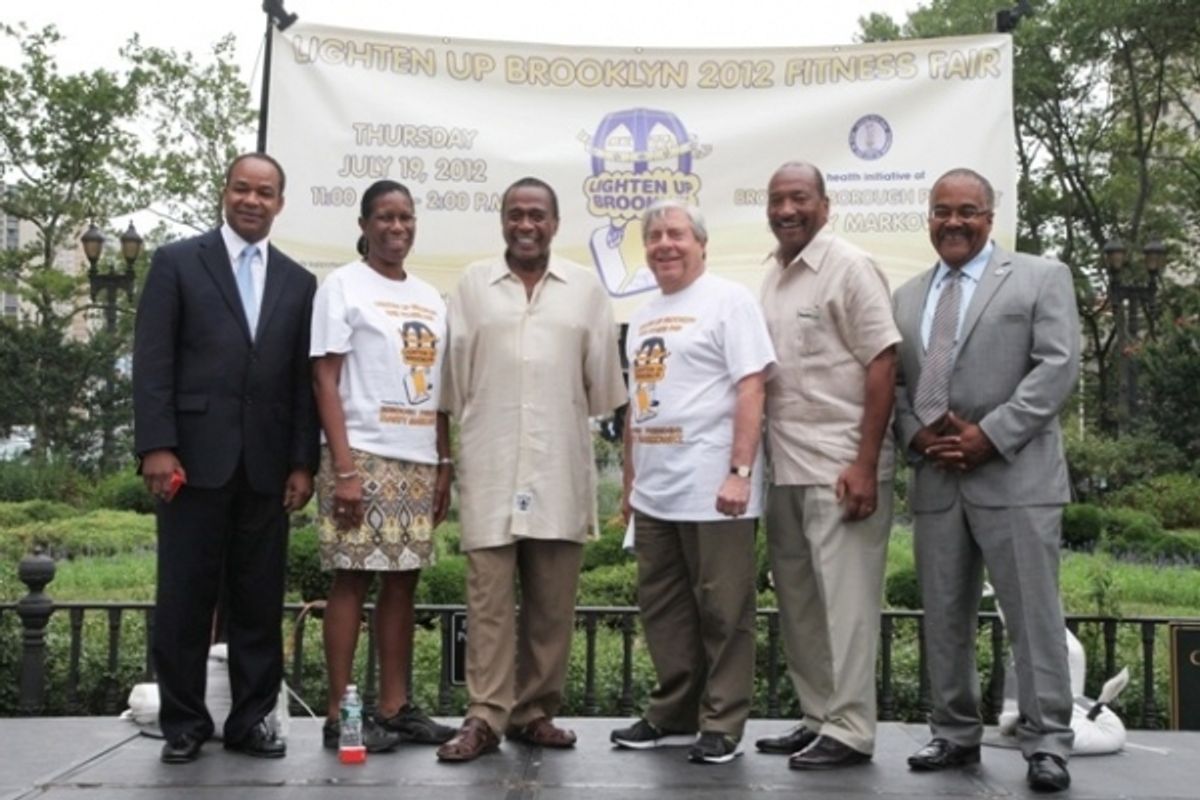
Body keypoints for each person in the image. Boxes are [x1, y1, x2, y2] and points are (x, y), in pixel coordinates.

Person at [893, 168, 1078, 792]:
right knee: (944, 614)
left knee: (1033, 617)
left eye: (967, 211)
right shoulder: (908, 295)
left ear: (990, 217)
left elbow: (1056, 368)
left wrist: (989, 435)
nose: (953, 222)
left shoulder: (1040, 277)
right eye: (942, 211)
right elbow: (895, 385)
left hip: (1016, 476)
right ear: (929, 218)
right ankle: (953, 733)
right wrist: (917, 434)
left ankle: (1047, 741)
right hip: (938, 478)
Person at [133, 153, 319, 763]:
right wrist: (157, 446)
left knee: (259, 603)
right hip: (190, 461)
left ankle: (250, 722)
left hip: (266, 468)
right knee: (185, 597)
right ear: (225, 192)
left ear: (279, 204)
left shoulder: (299, 281)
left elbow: (299, 382)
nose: (252, 201)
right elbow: (154, 361)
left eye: (265, 193)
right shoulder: (177, 263)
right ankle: (184, 723)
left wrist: (302, 462)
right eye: (242, 189)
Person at [436, 177, 625, 762]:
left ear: (555, 223)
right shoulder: (471, 286)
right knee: (488, 601)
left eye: (537, 215)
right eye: (515, 214)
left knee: (552, 602)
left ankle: (535, 712)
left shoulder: (587, 291)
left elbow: (603, 390)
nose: (526, 225)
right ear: (502, 222)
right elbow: (450, 388)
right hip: (490, 466)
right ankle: (485, 716)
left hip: (558, 468)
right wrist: (446, 460)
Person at [610, 200, 775, 765]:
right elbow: (638, 404)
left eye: (676, 233)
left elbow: (752, 387)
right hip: (657, 492)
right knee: (665, 609)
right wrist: (629, 485)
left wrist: (739, 472)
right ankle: (674, 712)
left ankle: (722, 721)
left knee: (724, 610)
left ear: (701, 244)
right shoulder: (645, 313)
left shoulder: (731, 300)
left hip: (714, 490)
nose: (664, 244)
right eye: (654, 235)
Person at [753, 162, 900, 770]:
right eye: (777, 199)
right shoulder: (771, 275)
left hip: (842, 470)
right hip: (784, 468)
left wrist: (865, 463)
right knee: (801, 605)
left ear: (825, 204)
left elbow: (883, 361)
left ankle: (852, 728)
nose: (787, 210)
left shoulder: (850, 267)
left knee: (847, 606)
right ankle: (818, 717)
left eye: (799, 198)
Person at [310, 179, 455, 753]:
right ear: (365, 224)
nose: (398, 228)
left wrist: (444, 461)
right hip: (361, 456)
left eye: (406, 218)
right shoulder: (342, 286)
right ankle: (339, 714)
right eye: (386, 218)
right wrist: (343, 468)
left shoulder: (430, 296)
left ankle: (394, 709)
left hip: (417, 456)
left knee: (402, 582)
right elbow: (324, 377)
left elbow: (440, 387)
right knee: (352, 577)